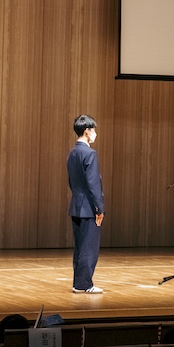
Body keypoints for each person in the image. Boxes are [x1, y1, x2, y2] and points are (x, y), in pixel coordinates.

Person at [67, 114, 105, 294]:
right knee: (89, 248)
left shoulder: (73, 152)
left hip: (76, 206)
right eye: (93, 130)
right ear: (86, 131)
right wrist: (99, 208)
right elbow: (93, 184)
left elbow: (72, 182)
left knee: (80, 248)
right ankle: (86, 284)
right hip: (89, 208)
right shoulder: (89, 153)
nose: (95, 133)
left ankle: (78, 283)